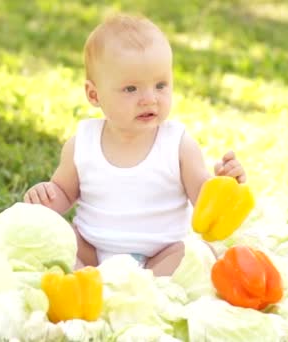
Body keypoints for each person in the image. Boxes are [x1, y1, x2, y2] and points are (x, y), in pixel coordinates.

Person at [23, 13, 246, 276]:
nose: (149, 99)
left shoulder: (178, 145)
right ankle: (86, 279)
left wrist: (225, 186)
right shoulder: (82, 144)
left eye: (161, 85)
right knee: (57, 245)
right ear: (94, 95)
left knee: (195, 255)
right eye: (131, 89)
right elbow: (63, 192)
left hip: (160, 254)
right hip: (92, 249)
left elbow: (204, 198)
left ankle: (147, 288)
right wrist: (47, 197)